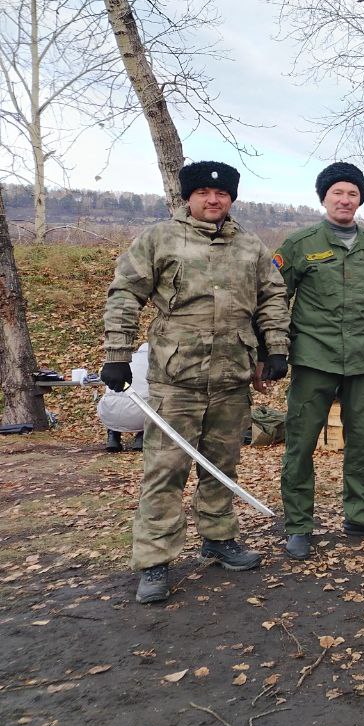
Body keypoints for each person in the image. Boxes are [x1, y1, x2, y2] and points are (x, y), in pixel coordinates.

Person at [101, 161, 291, 604]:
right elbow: (126, 292)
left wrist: (275, 348)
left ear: (232, 199)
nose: (213, 199)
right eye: (204, 192)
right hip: (176, 378)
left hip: (231, 377)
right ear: (189, 196)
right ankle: (154, 560)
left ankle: (218, 538)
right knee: (165, 470)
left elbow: (272, 297)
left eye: (221, 194)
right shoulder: (159, 238)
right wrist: (117, 354)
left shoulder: (250, 246)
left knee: (221, 466)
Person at [276, 162, 364, 560]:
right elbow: (274, 300)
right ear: (324, 198)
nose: (345, 200)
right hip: (314, 359)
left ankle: (360, 516)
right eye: (337, 193)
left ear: (360, 199)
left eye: (352, 193)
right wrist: (274, 349)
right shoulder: (298, 245)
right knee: (300, 443)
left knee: (362, 443)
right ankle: (299, 525)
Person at [97, 342, 149, 452]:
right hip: (140, 414)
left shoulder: (124, 361)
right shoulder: (155, 363)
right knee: (151, 401)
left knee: (113, 398)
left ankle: (113, 438)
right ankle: (141, 437)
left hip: (109, 413)